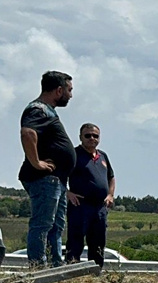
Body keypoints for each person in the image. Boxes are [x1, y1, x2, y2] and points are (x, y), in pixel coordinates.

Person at [18, 70, 76, 269]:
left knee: (56, 226)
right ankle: (38, 267)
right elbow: (27, 133)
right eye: (69, 90)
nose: (70, 95)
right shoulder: (38, 109)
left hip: (57, 180)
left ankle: (55, 267)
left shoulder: (49, 111)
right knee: (42, 224)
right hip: (45, 179)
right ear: (58, 90)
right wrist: (36, 163)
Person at [65, 123, 115, 266]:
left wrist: (110, 195)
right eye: (87, 135)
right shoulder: (73, 154)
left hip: (100, 207)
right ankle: (71, 271)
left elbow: (111, 177)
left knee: (98, 243)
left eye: (95, 136)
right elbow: (59, 175)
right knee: (75, 242)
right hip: (80, 205)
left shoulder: (103, 156)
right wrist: (68, 193)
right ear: (80, 137)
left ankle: (95, 273)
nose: (91, 138)